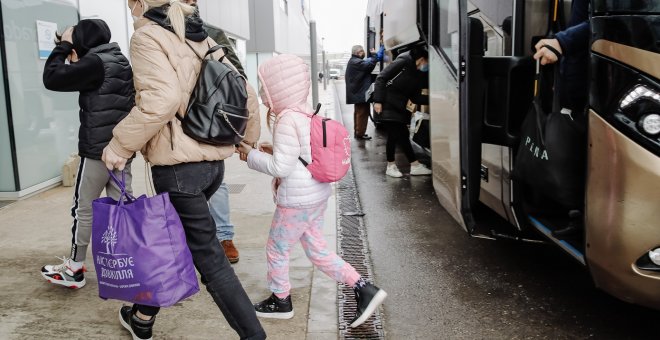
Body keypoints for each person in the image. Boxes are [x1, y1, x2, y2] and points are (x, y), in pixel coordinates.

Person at [102, 1, 265, 339]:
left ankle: (254, 335)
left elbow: (161, 99)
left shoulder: (148, 37)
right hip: (211, 167)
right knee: (176, 241)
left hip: (179, 169)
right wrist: (245, 140)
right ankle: (142, 316)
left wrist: (120, 144)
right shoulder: (201, 36)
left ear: (142, 3)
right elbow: (245, 92)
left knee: (211, 264)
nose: (130, 7)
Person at [236, 54, 387, 328]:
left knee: (276, 249)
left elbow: (281, 167)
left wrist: (249, 156)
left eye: (265, 86)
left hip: (297, 201)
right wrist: (268, 150)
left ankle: (281, 301)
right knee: (317, 249)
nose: (262, 92)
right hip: (317, 194)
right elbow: (299, 154)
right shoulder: (306, 114)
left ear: (278, 88)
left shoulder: (286, 119)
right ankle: (363, 288)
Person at [40, 19, 135, 289]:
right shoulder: (118, 60)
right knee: (122, 210)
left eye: (73, 45)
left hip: (97, 152)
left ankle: (75, 268)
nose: (71, 54)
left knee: (84, 210)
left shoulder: (95, 63)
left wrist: (66, 45)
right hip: (121, 151)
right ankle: (126, 266)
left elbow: (52, 77)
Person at [184, 0, 251, 264]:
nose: (189, 4)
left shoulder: (213, 32)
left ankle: (224, 236)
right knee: (180, 184)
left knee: (217, 182)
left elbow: (238, 77)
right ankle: (190, 240)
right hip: (177, 119)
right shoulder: (159, 33)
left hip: (208, 117)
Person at [533, 0, 589, 237]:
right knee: (576, 153)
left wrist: (561, 42)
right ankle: (578, 215)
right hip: (577, 86)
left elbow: (606, 23)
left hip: (595, 83)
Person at [372, 46, 432, 178]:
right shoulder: (403, 62)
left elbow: (415, 97)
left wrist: (434, 100)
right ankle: (390, 166)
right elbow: (381, 78)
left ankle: (415, 165)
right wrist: (378, 101)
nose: (427, 66)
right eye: (427, 63)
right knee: (394, 135)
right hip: (386, 103)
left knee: (403, 135)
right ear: (422, 59)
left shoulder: (417, 73)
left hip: (400, 107)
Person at [345, 44, 382, 140]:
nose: (363, 53)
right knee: (362, 113)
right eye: (362, 51)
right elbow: (369, 66)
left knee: (358, 113)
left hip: (358, 92)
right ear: (358, 52)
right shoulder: (356, 62)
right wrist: (374, 55)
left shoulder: (354, 61)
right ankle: (360, 134)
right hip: (360, 93)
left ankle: (358, 132)